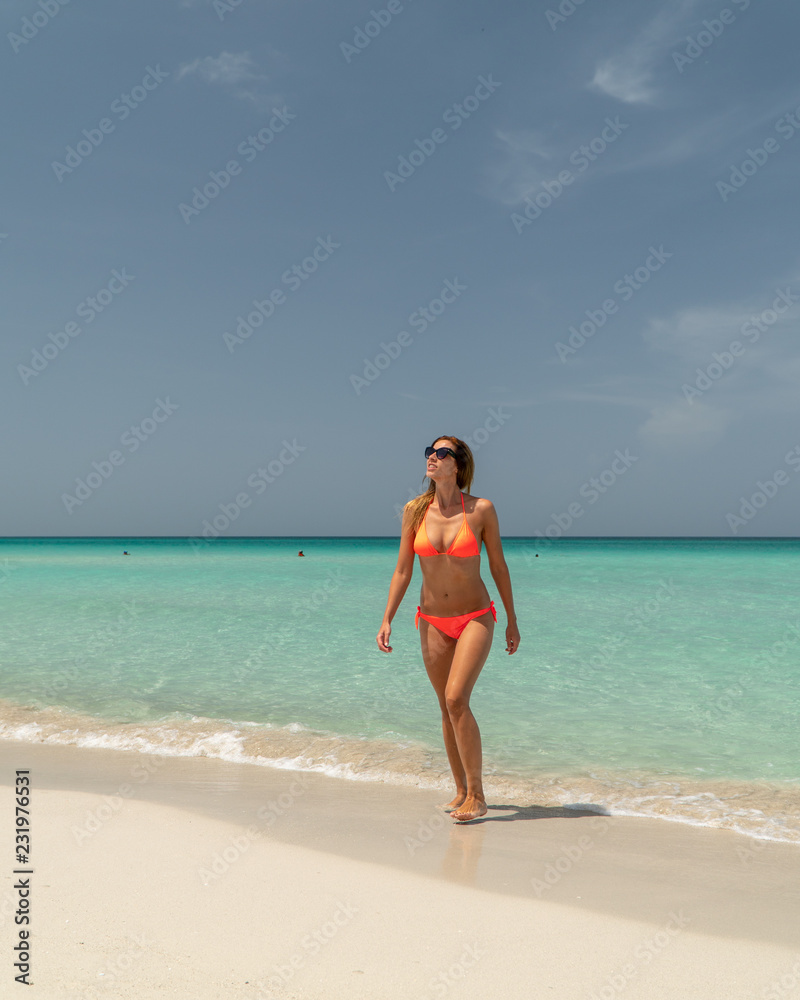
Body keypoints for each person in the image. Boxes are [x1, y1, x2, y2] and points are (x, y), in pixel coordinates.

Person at [377, 435, 520, 822]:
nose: (432, 458)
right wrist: (387, 616)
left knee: (457, 698)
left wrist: (511, 618)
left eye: (442, 454)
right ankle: (460, 790)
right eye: (430, 452)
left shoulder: (481, 509)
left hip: (475, 615)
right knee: (445, 707)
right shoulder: (414, 510)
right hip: (431, 620)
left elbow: (498, 567)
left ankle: (478, 794)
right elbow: (404, 569)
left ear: (458, 465)